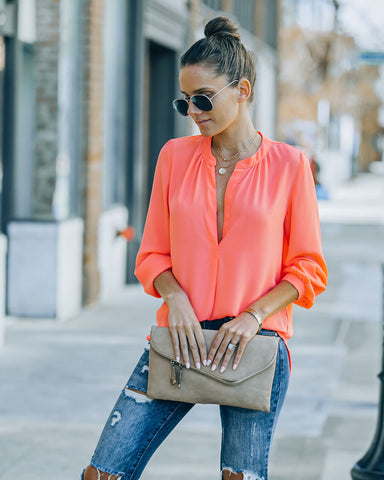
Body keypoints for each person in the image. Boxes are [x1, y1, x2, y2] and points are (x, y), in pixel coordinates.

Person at [82, 16, 327, 480]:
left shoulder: (291, 166)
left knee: (240, 478)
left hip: (253, 345)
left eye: (203, 98)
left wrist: (254, 315)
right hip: (179, 338)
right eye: (184, 101)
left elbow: (308, 267)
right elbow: (152, 253)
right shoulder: (174, 157)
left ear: (243, 90)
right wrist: (174, 297)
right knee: (103, 473)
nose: (193, 111)